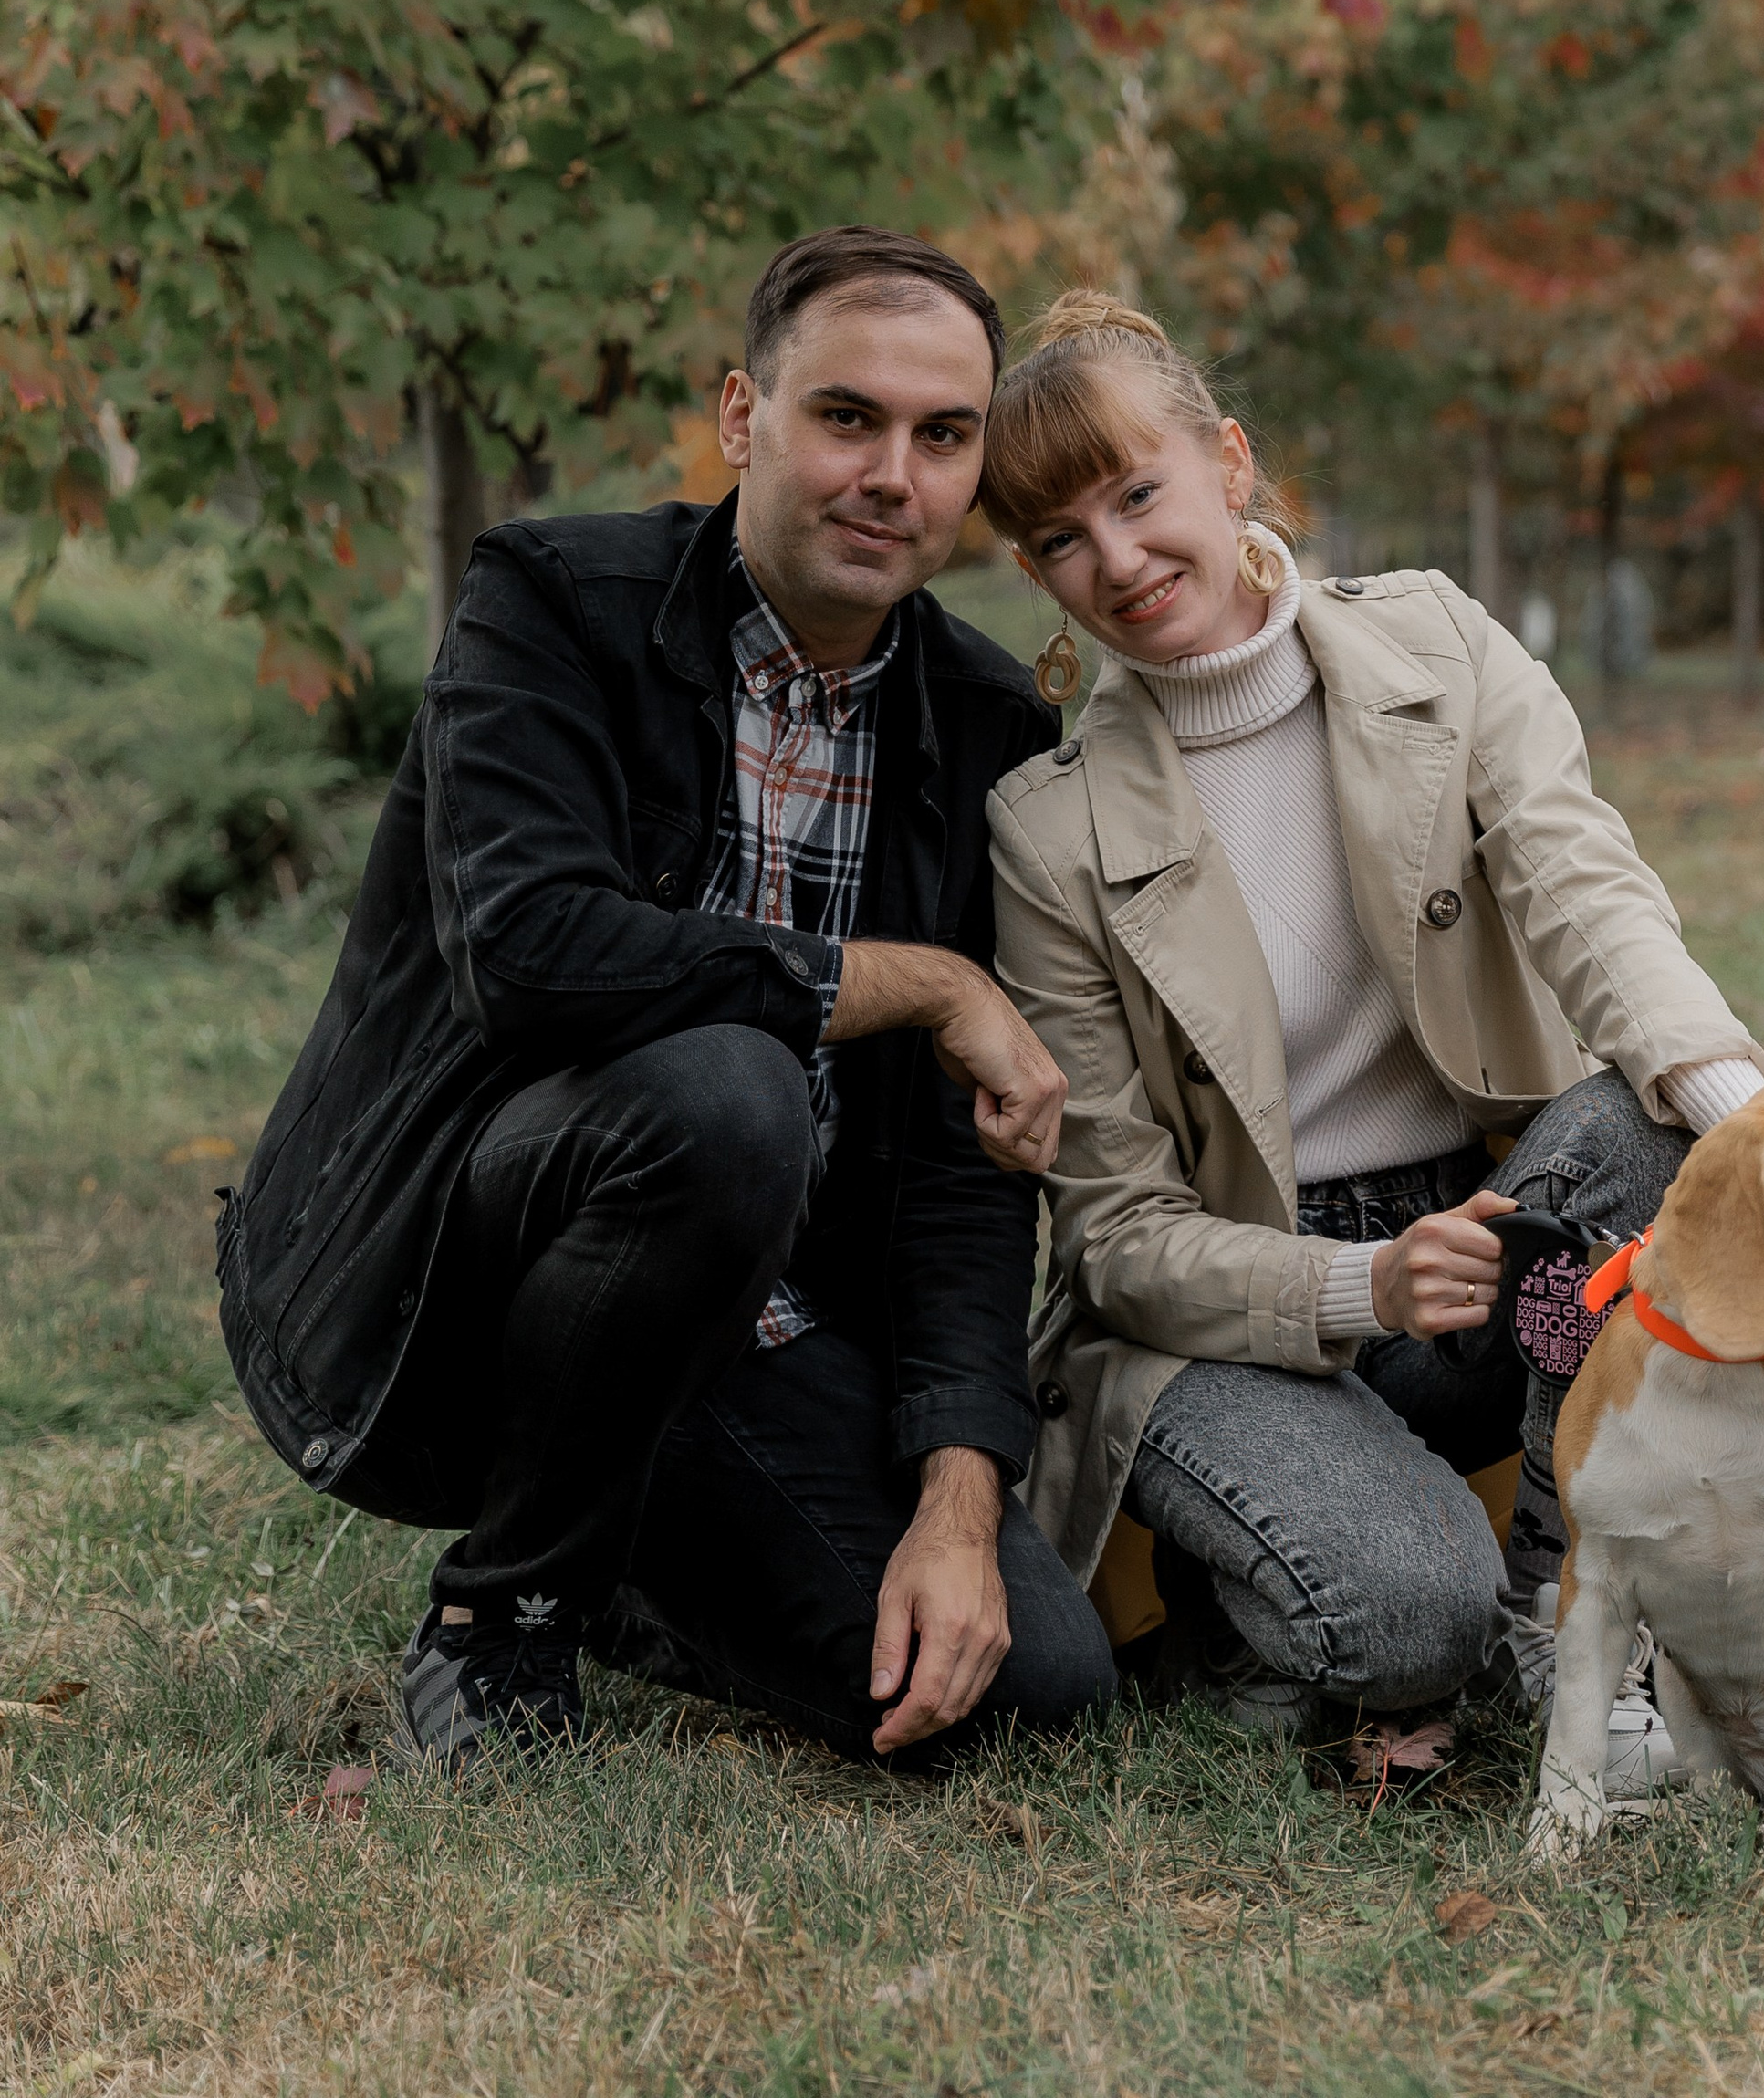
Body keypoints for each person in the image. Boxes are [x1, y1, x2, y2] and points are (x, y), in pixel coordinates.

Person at [219, 229, 1118, 1776]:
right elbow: (535, 956)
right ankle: (500, 1621)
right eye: (848, 417)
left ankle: (638, 1560)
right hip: (436, 1281)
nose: (893, 475)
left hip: (743, 1322)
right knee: (730, 1089)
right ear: (741, 418)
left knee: (1034, 1687)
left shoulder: (982, 725)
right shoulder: (551, 604)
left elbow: (967, 1176)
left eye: (943, 436)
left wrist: (961, 1503)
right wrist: (922, 981)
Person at [976, 292, 1764, 1745]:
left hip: (1488, 1247)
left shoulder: (1439, 647)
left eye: (1137, 495)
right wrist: (1361, 1288)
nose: (1116, 562)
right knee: (1406, 1614)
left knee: (1642, 1130)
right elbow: (1118, 1237)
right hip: (1234, 1315)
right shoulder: (1049, 831)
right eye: (1058, 542)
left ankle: (1558, 1603)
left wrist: (1753, 1142)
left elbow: (1586, 890)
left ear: (1225, 462)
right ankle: (1302, 1627)